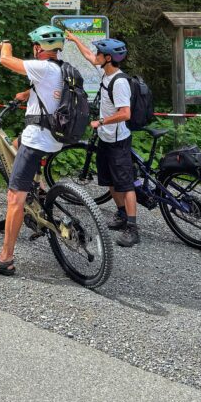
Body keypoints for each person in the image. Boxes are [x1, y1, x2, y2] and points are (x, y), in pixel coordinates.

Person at [0, 25, 65, 276]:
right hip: (56, 137)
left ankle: (5, 259)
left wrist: (5, 43)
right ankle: (38, 191)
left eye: (34, 46)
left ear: (39, 48)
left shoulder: (42, 66)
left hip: (38, 139)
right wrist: (27, 94)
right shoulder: (62, 68)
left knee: (14, 198)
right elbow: (52, 92)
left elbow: (6, 60)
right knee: (16, 144)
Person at [65, 34, 139, 246]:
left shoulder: (119, 82)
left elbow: (126, 113)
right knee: (109, 181)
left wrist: (102, 121)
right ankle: (122, 214)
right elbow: (88, 55)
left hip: (118, 140)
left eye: (99, 53)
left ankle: (132, 228)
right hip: (106, 139)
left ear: (108, 58)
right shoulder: (106, 72)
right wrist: (74, 39)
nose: (95, 55)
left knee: (125, 185)